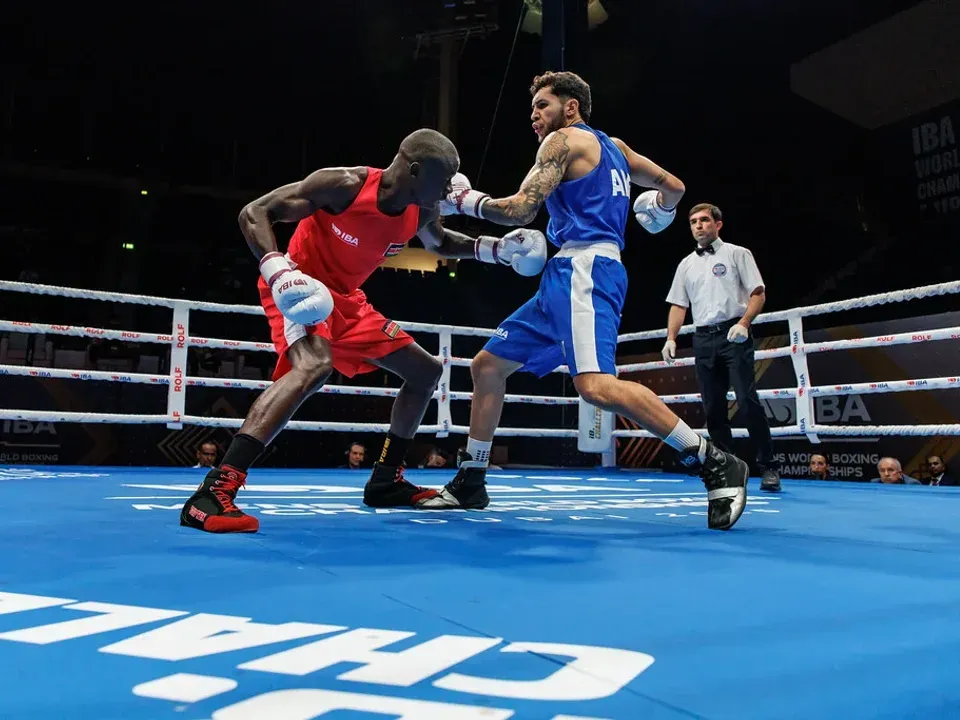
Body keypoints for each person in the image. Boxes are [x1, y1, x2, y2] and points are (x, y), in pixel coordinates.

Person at [426, 71, 751, 531]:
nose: (534, 116)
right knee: (487, 366)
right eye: (532, 108)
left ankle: (712, 459)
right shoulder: (616, 148)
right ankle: (472, 478)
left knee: (595, 386)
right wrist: (659, 210)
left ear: (571, 106)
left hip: (585, 270)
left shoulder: (562, 142)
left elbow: (521, 209)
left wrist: (466, 202)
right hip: (567, 274)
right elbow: (675, 187)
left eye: (542, 105)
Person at [180, 128, 547, 533]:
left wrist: (496, 250)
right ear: (414, 170)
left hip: (348, 302)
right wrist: (277, 269)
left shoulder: (422, 208)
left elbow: (440, 243)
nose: (450, 189)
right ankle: (213, 491)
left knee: (425, 372)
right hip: (302, 290)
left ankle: (386, 480)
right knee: (314, 366)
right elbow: (255, 212)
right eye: (443, 180)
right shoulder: (344, 186)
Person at [662, 203, 781, 492]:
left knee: (747, 400)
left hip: (734, 333)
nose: (698, 225)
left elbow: (758, 293)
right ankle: (729, 469)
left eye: (704, 220)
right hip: (703, 338)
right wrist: (671, 338)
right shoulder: (686, 264)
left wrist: (744, 323)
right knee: (713, 408)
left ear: (718, 224)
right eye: (693, 221)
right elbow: (679, 305)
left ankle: (769, 467)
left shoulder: (738, 253)